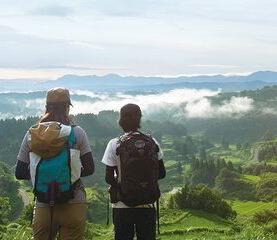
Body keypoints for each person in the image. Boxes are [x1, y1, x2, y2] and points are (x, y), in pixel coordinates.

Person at [15, 87, 94, 240]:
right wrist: (68, 171)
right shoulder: (77, 133)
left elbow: (19, 173)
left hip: (44, 204)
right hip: (74, 202)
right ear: (67, 107)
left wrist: (41, 174)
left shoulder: (31, 134)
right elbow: (90, 168)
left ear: (46, 107)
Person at [102, 103, 166, 240]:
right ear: (139, 119)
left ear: (120, 121)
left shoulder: (114, 143)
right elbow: (162, 173)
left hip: (122, 204)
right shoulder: (152, 142)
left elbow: (108, 178)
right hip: (147, 203)